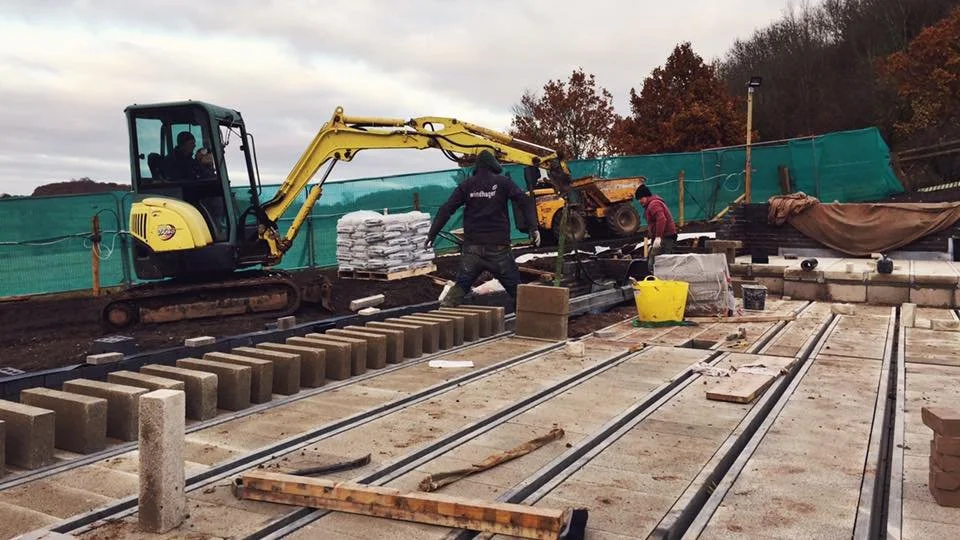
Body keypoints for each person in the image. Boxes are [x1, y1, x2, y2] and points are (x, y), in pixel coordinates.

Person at [425, 150, 540, 307]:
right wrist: (533, 227)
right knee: (518, 292)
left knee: (461, 286)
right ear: (493, 165)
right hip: (499, 250)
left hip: (472, 250)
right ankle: (529, 323)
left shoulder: (467, 185)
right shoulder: (503, 182)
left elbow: (446, 209)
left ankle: (444, 313)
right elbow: (524, 201)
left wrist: (432, 234)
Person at [635, 183, 677, 271]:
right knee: (657, 261)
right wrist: (653, 239)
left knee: (657, 262)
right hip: (663, 236)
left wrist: (658, 237)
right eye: (638, 199)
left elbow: (662, 219)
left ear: (646, 196)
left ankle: (658, 281)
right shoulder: (650, 205)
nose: (640, 201)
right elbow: (653, 224)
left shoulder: (654, 204)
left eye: (641, 198)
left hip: (666, 236)